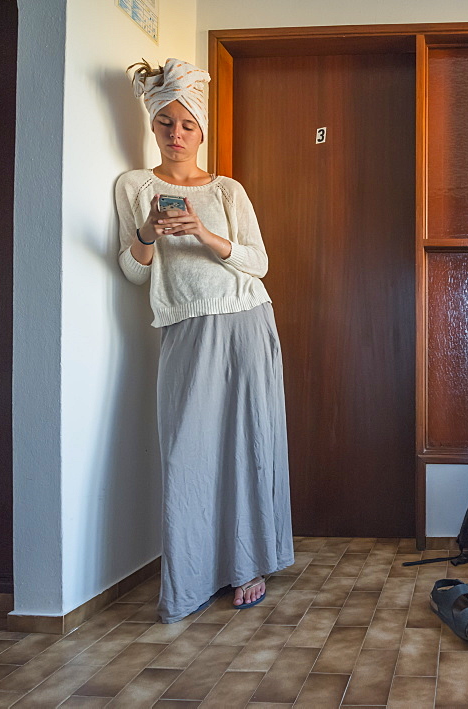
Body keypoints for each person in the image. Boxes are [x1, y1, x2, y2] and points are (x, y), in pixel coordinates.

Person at [115, 58, 294, 623]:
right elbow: (136, 271)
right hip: (187, 326)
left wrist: (202, 232)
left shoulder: (228, 190)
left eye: (187, 125)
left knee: (249, 443)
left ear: (201, 131)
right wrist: (148, 231)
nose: (176, 134)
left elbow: (258, 263)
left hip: (246, 318)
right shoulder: (134, 186)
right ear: (152, 126)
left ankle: (248, 564)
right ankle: (191, 576)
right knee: (189, 454)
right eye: (166, 123)